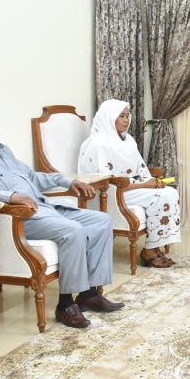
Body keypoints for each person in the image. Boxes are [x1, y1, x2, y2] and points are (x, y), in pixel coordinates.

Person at [0, 104, 124, 329]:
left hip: (44, 207)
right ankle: (65, 304)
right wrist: (10, 196)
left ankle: (89, 294)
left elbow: (33, 177)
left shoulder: (3, 150)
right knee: (73, 231)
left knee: (101, 220)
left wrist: (68, 181)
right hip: (18, 218)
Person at [78, 99, 181, 268]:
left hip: (130, 188)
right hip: (111, 192)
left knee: (169, 191)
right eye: (121, 116)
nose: (126, 120)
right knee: (160, 196)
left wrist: (151, 181)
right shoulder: (98, 144)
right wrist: (144, 185)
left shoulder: (129, 140)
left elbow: (141, 169)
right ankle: (149, 251)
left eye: (127, 116)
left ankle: (154, 247)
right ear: (109, 117)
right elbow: (106, 180)